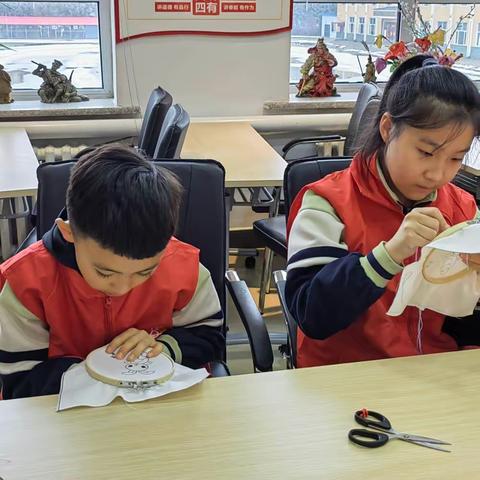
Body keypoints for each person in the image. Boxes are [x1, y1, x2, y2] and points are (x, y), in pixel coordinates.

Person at [286, 54, 480, 368]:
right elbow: (312, 315)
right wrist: (389, 255)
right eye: (426, 152)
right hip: (346, 377)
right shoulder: (328, 203)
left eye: (455, 159)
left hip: (435, 375)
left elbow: (462, 320)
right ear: (388, 128)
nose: (438, 174)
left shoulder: (461, 207)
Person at [0, 145, 224, 399]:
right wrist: (101, 369)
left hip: (159, 411)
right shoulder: (26, 282)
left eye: (145, 272)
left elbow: (210, 337)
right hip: (65, 420)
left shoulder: (184, 268)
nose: (122, 288)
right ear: (69, 232)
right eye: (105, 273)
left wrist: (163, 350)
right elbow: (19, 380)